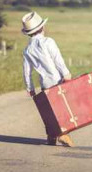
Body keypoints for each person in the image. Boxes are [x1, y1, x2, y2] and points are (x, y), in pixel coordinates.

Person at [21, 12, 74, 147]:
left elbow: (27, 72)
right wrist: (66, 74)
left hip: (44, 82)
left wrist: (30, 88)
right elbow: (58, 60)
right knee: (60, 110)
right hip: (57, 80)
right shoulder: (48, 41)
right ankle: (62, 135)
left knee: (50, 110)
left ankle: (51, 137)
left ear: (28, 33)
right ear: (42, 28)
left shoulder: (27, 50)